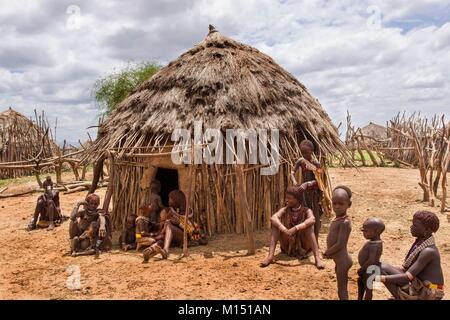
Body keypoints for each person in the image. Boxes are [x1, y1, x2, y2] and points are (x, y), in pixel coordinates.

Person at [377, 210, 444, 300]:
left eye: (415, 225)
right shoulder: (421, 243)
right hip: (420, 284)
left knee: (381, 270)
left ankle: (401, 297)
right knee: (380, 266)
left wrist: (380, 278)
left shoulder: (428, 251)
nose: (411, 227)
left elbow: (406, 277)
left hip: (430, 292)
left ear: (427, 230)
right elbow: (405, 270)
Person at [260, 186, 324, 269]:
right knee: (275, 225)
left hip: (303, 245)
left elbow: (312, 219)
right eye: (286, 198)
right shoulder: (285, 210)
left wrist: (295, 228)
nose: (286, 200)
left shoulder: (306, 210)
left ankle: (317, 258)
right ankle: (270, 256)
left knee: (309, 226)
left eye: (289, 198)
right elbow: (273, 218)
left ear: (297, 199)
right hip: (288, 244)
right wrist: (284, 230)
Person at [143, 190, 206, 262]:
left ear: (176, 200)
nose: (169, 201)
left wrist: (178, 223)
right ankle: (151, 249)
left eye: (170, 199)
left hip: (186, 237)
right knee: (163, 238)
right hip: (174, 236)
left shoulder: (187, 211)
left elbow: (191, 229)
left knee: (169, 226)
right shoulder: (174, 210)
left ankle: (166, 250)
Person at [324, 186, 353, 300]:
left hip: (343, 261)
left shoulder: (345, 222)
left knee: (342, 289)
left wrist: (327, 252)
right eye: (334, 203)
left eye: (341, 204)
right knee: (340, 288)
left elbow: (341, 244)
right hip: (339, 260)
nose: (337, 207)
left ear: (349, 204)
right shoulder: (338, 219)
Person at [290, 139, 323, 240]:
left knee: (315, 216)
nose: (304, 154)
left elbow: (319, 181)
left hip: (313, 193)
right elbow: (291, 172)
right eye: (302, 152)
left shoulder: (317, 164)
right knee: (302, 215)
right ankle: (304, 241)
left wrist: (308, 183)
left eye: (306, 152)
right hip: (303, 193)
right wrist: (295, 181)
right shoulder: (301, 161)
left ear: (311, 151)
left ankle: (315, 240)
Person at [357, 217, 384, 300]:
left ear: (375, 232)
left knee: (368, 288)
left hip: (370, 270)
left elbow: (371, 260)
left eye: (365, 231)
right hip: (367, 269)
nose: (363, 233)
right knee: (360, 282)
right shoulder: (373, 242)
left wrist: (362, 269)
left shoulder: (375, 245)